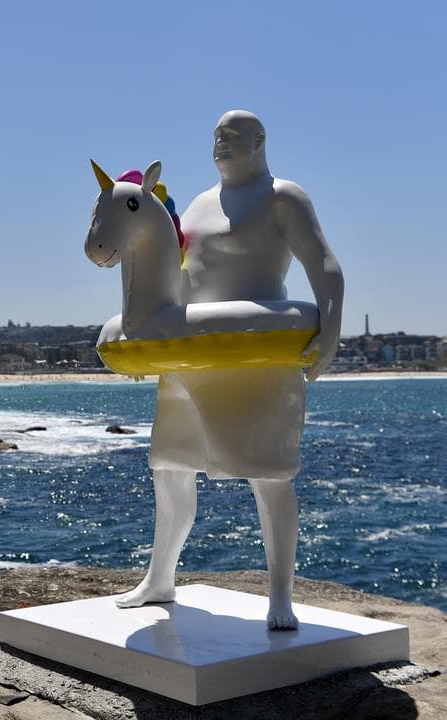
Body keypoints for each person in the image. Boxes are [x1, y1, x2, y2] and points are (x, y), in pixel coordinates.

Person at [117, 111, 344, 630]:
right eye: (216, 136)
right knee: (169, 468)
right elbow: (171, 276)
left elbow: (324, 263)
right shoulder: (198, 204)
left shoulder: (283, 197)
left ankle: (280, 596)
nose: (221, 143)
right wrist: (145, 349)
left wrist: (330, 328)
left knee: (270, 476)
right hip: (190, 360)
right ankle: (160, 578)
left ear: (260, 141)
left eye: (233, 135)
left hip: (257, 359)